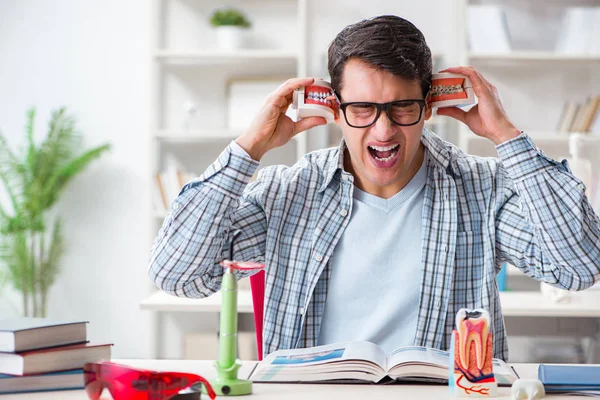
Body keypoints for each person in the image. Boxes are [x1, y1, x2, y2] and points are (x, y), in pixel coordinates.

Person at [149, 15, 600, 361]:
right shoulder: (288, 194)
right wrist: (248, 149)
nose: (383, 131)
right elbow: (179, 276)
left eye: (402, 107)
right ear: (335, 109)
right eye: (363, 108)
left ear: (429, 106)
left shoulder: (481, 190)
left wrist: (507, 137)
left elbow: (579, 268)